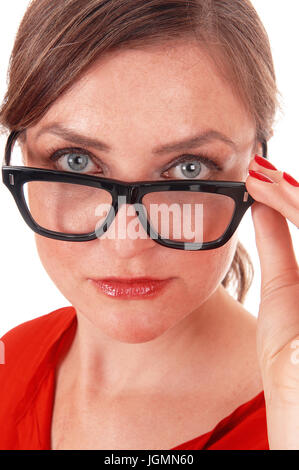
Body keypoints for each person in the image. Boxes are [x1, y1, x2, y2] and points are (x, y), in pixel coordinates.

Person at [0, 0, 298, 451]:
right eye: (75, 163)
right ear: (23, 156)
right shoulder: (11, 360)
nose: (126, 243)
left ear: (258, 168)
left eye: (189, 168)